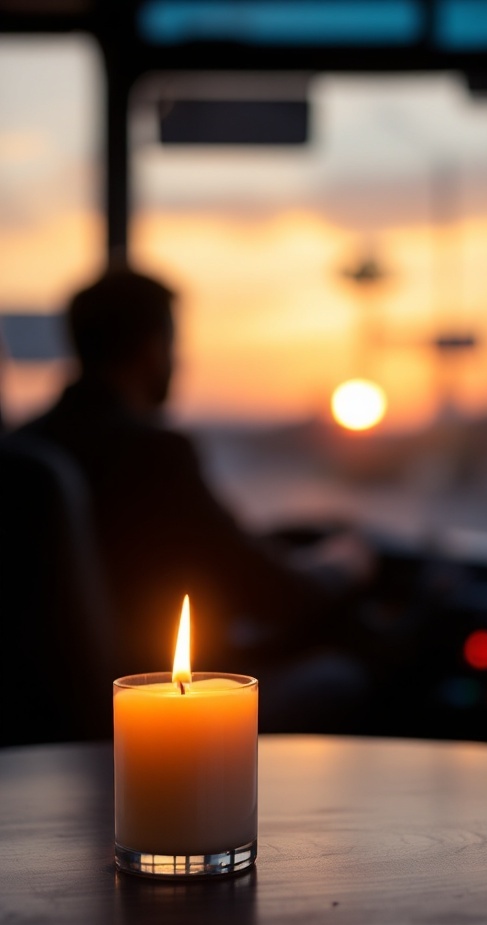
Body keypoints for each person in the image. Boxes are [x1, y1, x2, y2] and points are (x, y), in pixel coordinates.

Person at [13, 264, 374, 730]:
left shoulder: (24, 451)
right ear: (151, 349)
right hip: (144, 718)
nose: (179, 362)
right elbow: (270, 593)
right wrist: (343, 563)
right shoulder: (154, 455)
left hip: (41, 728)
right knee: (341, 678)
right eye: (174, 345)